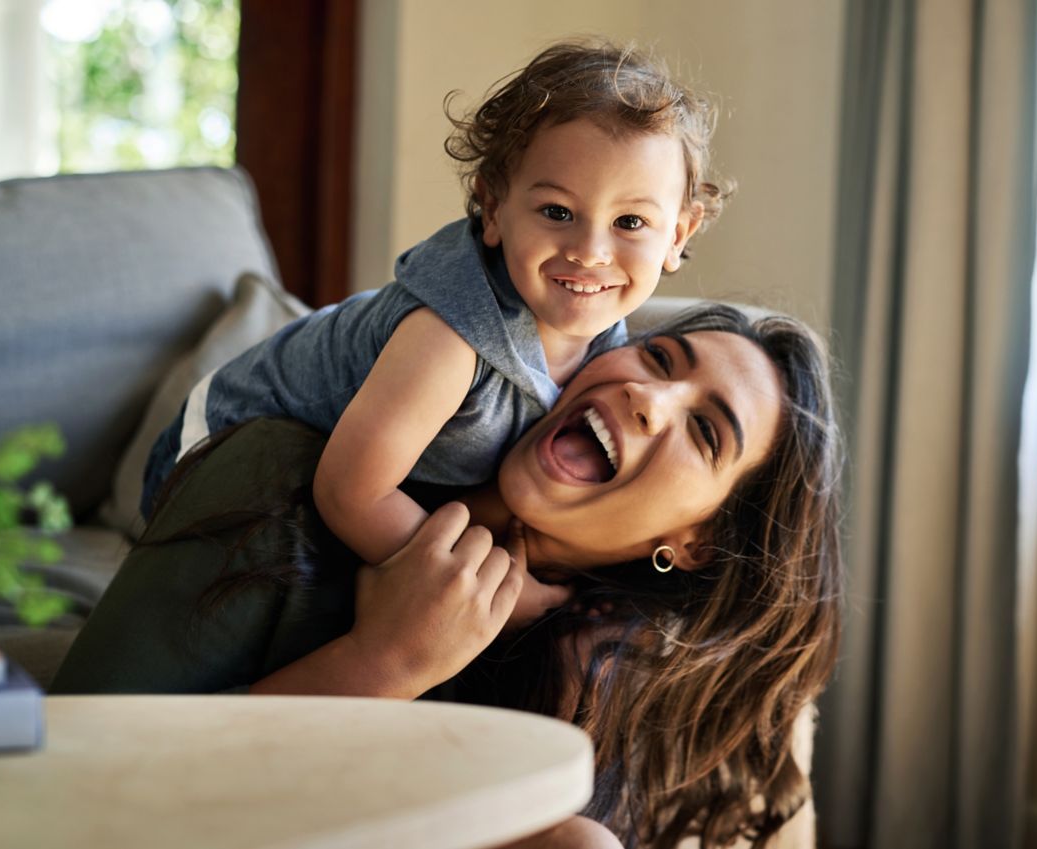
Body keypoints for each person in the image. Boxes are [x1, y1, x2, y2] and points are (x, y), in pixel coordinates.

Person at [57, 305, 842, 849]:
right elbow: (73, 777)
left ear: (696, 541)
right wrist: (382, 661)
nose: (647, 396)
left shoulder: (603, 666)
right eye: (660, 358)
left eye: (704, 431)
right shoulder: (278, 480)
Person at [139, 39, 730, 580]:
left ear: (678, 234)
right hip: (213, 459)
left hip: (332, 470)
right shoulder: (449, 341)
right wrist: (491, 593)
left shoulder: (613, 344)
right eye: (556, 211)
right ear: (494, 209)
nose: (590, 252)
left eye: (630, 222)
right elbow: (352, 494)